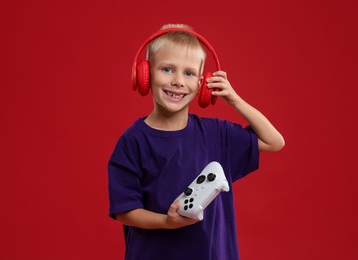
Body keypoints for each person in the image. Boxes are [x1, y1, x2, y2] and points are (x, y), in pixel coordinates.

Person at [108, 24, 285, 260]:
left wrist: (234, 99)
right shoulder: (133, 141)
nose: (179, 81)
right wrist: (167, 222)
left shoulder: (217, 134)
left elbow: (274, 142)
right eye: (168, 69)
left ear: (203, 84)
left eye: (189, 73)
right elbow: (125, 211)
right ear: (145, 74)